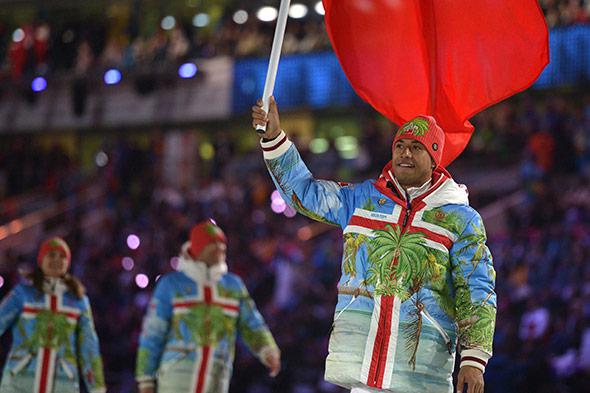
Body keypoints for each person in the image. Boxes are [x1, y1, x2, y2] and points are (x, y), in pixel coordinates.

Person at [252, 97, 496, 393]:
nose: (405, 153)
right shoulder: (362, 200)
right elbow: (304, 193)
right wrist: (274, 138)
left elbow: (477, 290)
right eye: (400, 146)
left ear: (435, 158)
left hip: (422, 377)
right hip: (362, 373)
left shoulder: (460, 219)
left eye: (417, 147)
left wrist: (474, 360)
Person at [135, 219, 281, 393]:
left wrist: (267, 349)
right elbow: (153, 333)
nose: (219, 251)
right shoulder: (172, 285)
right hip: (175, 381)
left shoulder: (232, 286)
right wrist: (146, 378)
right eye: (213, 247)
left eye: (222, 247)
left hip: (216, 380)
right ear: (198, 249)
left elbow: (251, 322)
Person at [0, 237, 106, 393]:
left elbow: (88, 346)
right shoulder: (23, 294)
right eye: (51, 255)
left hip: (63, 384)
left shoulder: (78, 301)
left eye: (62, 256)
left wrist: (97, 388)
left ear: (68, 262)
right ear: (41, 259)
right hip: (20, 383)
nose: (57, 260)